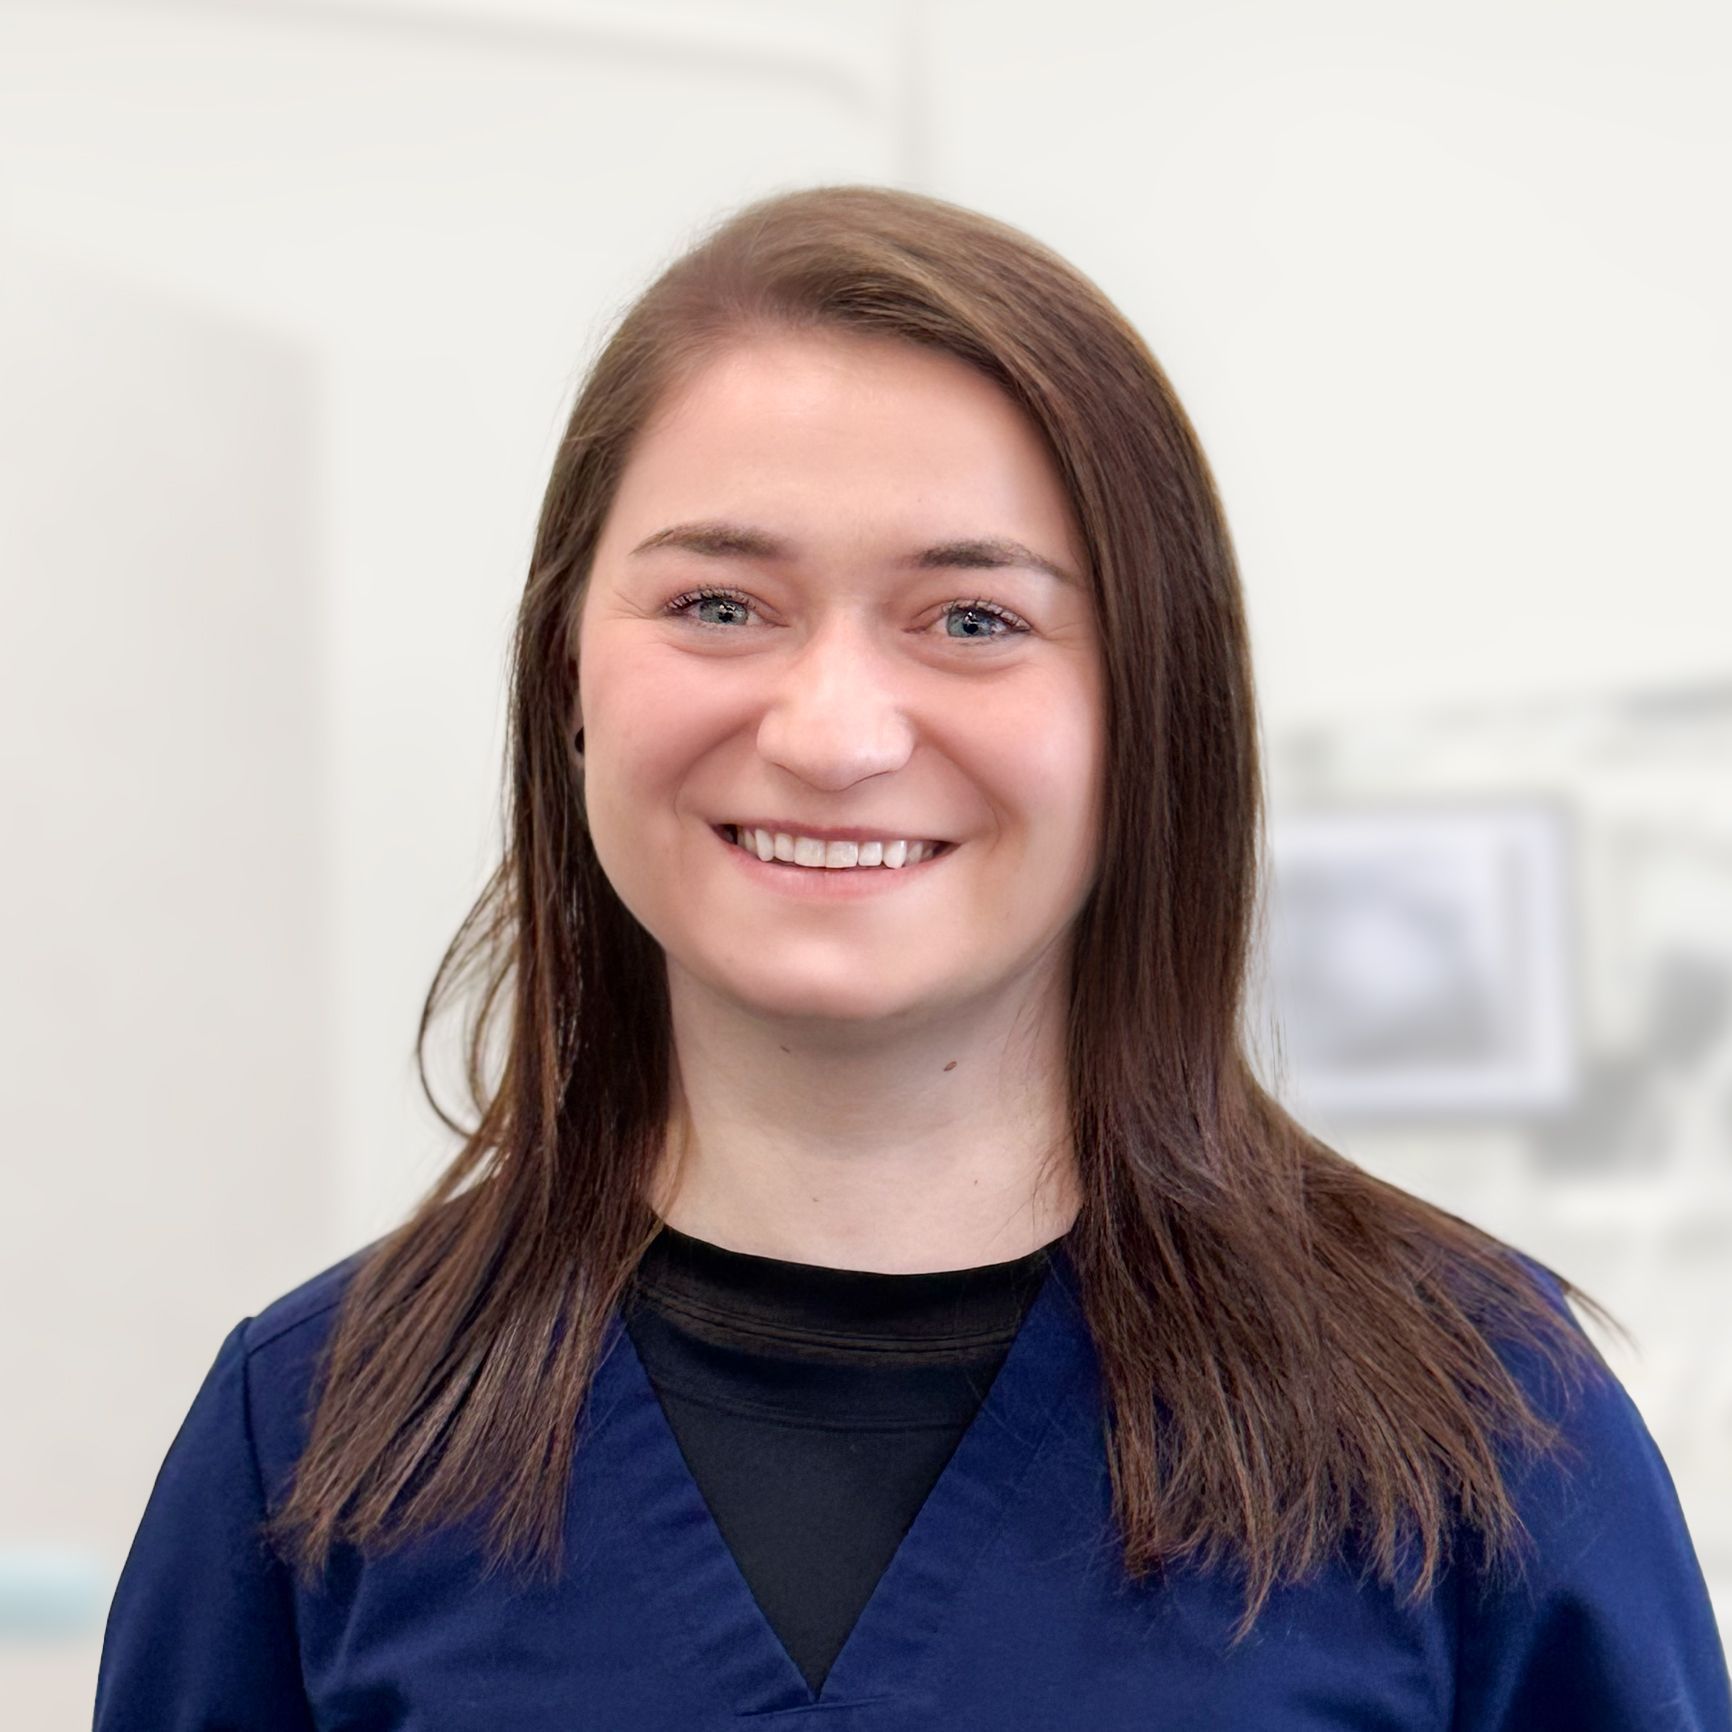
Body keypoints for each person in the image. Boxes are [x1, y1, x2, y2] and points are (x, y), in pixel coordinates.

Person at [94, 184, 1731, 1730]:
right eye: (721, 605)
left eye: (972, 622)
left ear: (1150, 713)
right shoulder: (308, 1445)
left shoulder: (1481, 1430)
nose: (831, 732)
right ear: (570, 678)